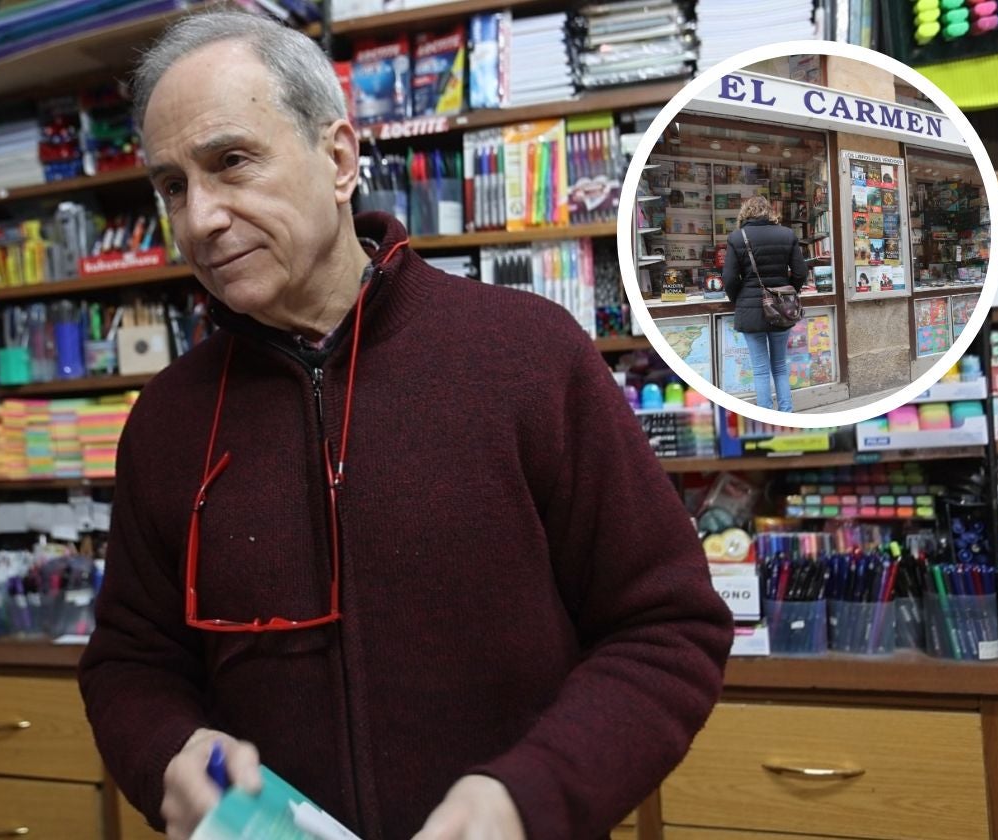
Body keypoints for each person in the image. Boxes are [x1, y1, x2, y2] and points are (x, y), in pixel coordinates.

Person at [77, 10, 733, 840]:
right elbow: (130, 663)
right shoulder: (167, 420)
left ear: (338, 158)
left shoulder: (527, 355)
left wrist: (528, 796)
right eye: (173, 186)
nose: (200, 217)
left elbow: (669, 626)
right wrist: (169, 753)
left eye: (231, 162)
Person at [722, 196, 808, 413]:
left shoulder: (737, 237)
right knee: (779, 366)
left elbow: (729, 279)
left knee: (760, 370)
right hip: (781, 310)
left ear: (745, 212)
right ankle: (786, 412)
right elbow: (800, 272)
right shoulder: (787, 234)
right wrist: (789, 293)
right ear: (769, 212)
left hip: (751, 312)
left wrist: (738, 300)